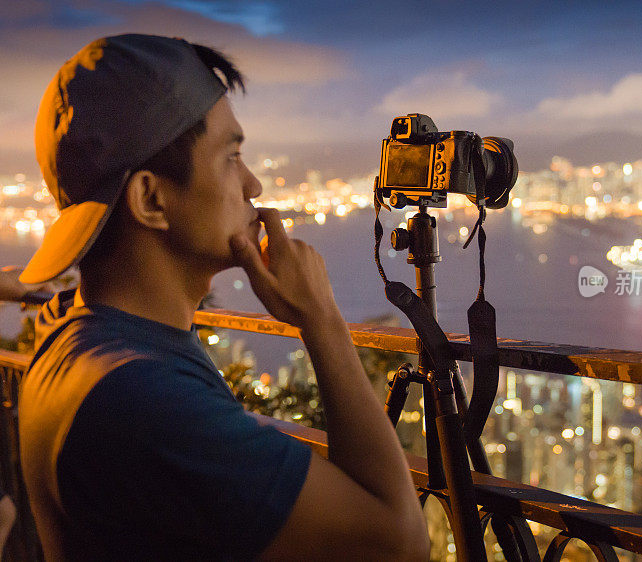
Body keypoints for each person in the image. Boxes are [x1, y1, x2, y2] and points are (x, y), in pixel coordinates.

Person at [18, 34, 429, 561]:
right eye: (231, 157)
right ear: (151, 198)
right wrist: (321, 319)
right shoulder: (140, 400)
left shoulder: (74, 336)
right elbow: (398, 543)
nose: (253, 185)